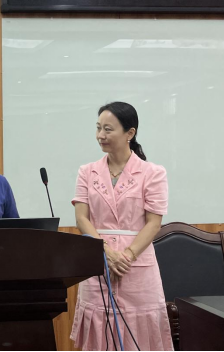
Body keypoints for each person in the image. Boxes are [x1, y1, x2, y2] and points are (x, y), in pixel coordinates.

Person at [70, 102, 173, 351]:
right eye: (98, 128)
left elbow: (154, 223)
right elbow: (82, 218)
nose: (101, 135)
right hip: (97, 261)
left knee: (141, 332)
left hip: (137, 264)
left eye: (108, 129)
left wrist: (126, 256)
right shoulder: (87, 172)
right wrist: (106, 252)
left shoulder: (153, 173)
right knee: (99, 326)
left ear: (130, 133)